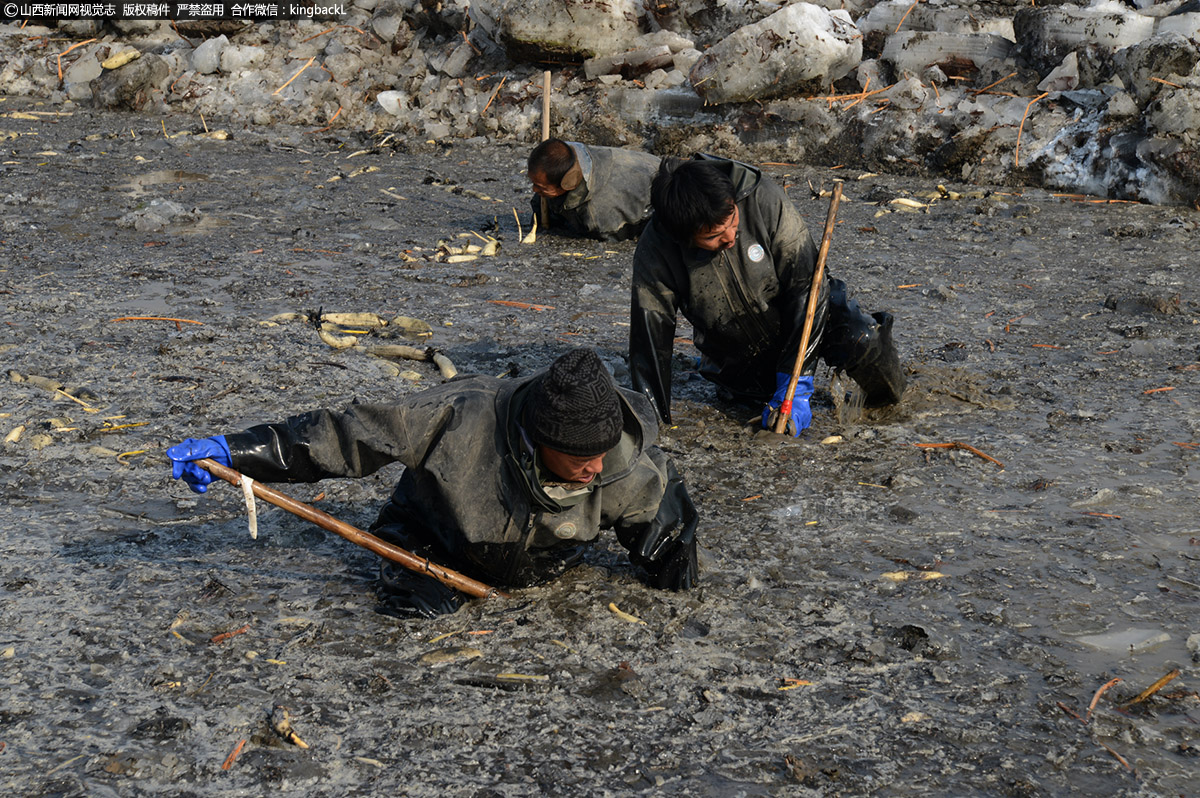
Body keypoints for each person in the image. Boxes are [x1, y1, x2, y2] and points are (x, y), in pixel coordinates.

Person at [166, 348, 698, 618]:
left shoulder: (622, 462)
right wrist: (236, 452)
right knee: (416, 619)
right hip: (433, 541)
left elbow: (668, 523)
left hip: (541, 563)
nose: (598, 469)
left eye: (603, 454)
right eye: (581, 458)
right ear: (538, 437)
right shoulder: (455, 414)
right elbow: (345, 436)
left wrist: (675, 575)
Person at [629, 155, 905, 434]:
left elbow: (807, 286)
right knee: (755, 405)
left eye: (732, 220)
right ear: (684, 237)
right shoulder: (656, 253)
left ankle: (887, 402)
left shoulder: (763, 199)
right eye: (714, 236)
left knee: (862, 338)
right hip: (737, 352)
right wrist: (652, 428)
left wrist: (795, 386)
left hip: (807, 317)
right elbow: (650, 345)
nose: (730, 237)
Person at [528, 138, 663, 241]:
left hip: (661, 191)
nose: (534, 189)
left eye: (540, 187)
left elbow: (611, 237)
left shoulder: (598, 214)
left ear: (567, 184)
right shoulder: (565, 156)